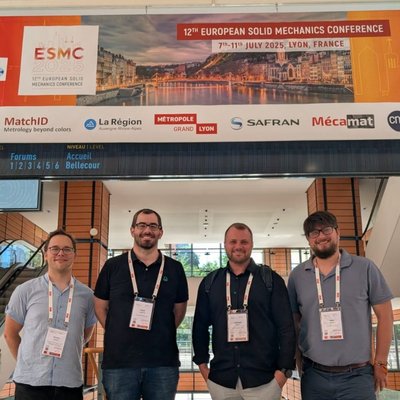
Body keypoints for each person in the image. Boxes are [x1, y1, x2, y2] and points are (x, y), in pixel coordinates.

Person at [288, 210, 394, 400]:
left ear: (338, 232)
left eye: (326, 230)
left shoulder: (365, 268)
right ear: (309, 240)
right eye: (314, 232)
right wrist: (298, 362)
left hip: (358, 377)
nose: (321, 236)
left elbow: (385, 316)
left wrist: (381, 362)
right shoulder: (298, 276)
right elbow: (294, 323)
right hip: (314, 376)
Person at [192, 222, 296, 400]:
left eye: (244, 242)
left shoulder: (271, 281)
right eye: (233, 242)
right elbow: (200, 327)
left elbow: (286, 328)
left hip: (265, 381)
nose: (238, 246)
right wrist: (203, 367)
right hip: (221, 381)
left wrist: (283, 373)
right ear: (225, 244)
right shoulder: (211, 282)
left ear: (252, 244)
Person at [94, 208, 188, 400]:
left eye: (153, 226)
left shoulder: (175, 268)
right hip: (119, 363)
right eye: (142, 225)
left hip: (163, 362)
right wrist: (117, 331)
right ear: (132, 230)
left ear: (160, 232)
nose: (147, 230)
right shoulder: (113, 266)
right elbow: (100, 307)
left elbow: (179, 311)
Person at [4, 229, 97, 400]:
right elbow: (9, 334)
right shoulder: (25, 290)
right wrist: (26, 363)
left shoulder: (88, 296)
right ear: (45, 254)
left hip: (69, 384)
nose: (61, 253)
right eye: (55, 249)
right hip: (30, 384)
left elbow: (84, 335)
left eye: (67, 249)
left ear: (74, 255)